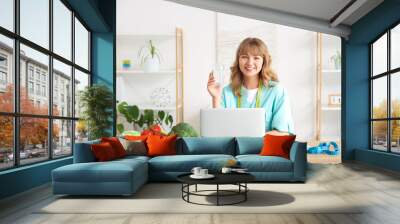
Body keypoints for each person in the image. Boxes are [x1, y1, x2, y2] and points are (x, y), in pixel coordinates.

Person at [207, 37, 294, 136]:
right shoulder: (226, 92)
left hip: (264, 150)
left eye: (256, 58)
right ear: (238, 60)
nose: (250, 62)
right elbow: (218, 131)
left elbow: (283, 132)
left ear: (264, 61)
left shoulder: (277, 91)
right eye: (244, 57)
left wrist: (250, 140)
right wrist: (215, 97)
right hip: (233, 150)